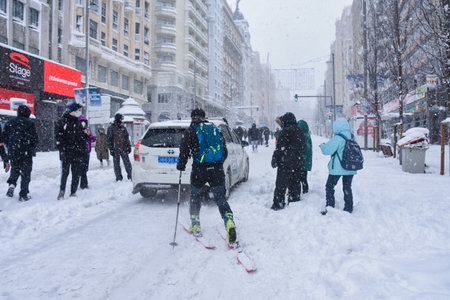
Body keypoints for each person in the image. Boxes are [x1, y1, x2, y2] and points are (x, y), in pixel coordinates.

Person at [176, 108, 237, 244]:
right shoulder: (215, 129)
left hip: (199, 170)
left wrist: (181, 164)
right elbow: (224, 150)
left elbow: (184, 151)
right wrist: (218, 164)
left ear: (192, 117)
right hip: (216, 170)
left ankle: (195, 223)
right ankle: (229, 222)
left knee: (196, 195)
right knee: (220, 197)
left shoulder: (190, 131)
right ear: (204, 117)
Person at [319, 117, 357, 214]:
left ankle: (330, 206)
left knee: (330, 186)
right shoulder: (352, 137)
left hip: (338, 168)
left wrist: (322, 146)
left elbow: (327, 150)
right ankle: (349, 207)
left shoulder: (338, 138)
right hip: (351, 166)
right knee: (347, 187)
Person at [271, 112, 305, 210]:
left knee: (281, 185)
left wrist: (275, 159)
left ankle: (278, 204)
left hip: (285, 163)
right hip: (297, 163)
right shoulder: (300, 132)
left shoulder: (285, 132)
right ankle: (294, 201)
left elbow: (280, 148)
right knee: (295, 183)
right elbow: (302, 149)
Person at [55, 102, 89, 199]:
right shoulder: (62, 121)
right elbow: (58, 137)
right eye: (78, 110)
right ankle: (62, 190)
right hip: (67, 152)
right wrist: (62, 149)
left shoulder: (79, 122)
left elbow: (82, 138)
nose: (79, 112)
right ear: (72, 111)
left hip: (78, 152)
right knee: (65, 172)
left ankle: (73, 192)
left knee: (76, 172)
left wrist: (86, 135)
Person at [3, 105, 36, 201]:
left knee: (15, 169)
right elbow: (34, 139)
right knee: (26, 173)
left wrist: (10, 146)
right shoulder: (30, 123)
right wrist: (31, 149)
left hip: (13, 151)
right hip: (25, 152)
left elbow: (4, 137)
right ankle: (23, 194)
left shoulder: (10, 122)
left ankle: (12, 185)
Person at [107, 113, 132, 181]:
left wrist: (128, 146)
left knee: (127, 163)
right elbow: (109, 139)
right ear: (118, 119)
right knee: (116, 164)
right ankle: (118, 177)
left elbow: (127, 138)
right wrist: (111, 149)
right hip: (115, 149)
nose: (122, 120)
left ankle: (130, 176)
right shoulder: (111, 128)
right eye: (121, 119)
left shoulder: (123, 128)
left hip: (124, 148)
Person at [78, 115, 96, 189]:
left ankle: (84, 183)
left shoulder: (88, 130)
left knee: (85, 168)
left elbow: (93, 139)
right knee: (80, 168)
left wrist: (89, 135)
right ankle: (83, 184)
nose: (83, 123)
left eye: (84, 121)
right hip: (79, 151)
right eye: (81, 122)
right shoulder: (77, 130)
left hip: (87, 151)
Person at [297, 120, 312, 194]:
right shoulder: (307, 135)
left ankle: (304, 190)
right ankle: (305, 190)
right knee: (304, 177)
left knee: (301, 178)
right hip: (306, 160)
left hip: (303, 160)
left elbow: (305, 149)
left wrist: (301, 158)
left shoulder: (304, 136)